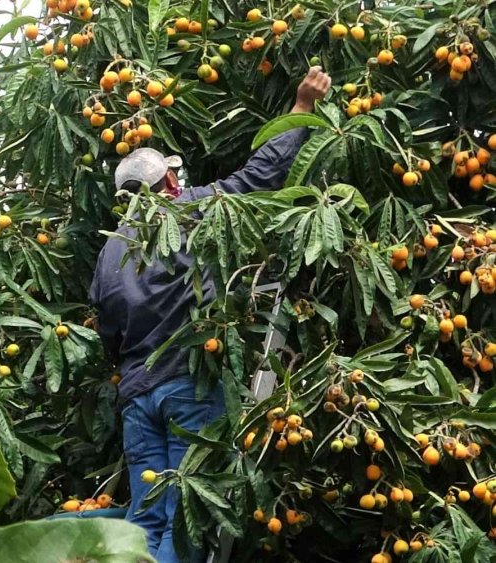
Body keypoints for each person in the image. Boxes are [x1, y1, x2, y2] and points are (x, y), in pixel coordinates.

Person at [89, 67, 331, 563]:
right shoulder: (190, 209)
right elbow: (260, 176)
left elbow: (107, 332)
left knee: (147, 520)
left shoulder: (108, 254)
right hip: (190, 385)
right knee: (186, 520)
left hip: (137, 399)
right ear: (170, 181)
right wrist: (302, 108)